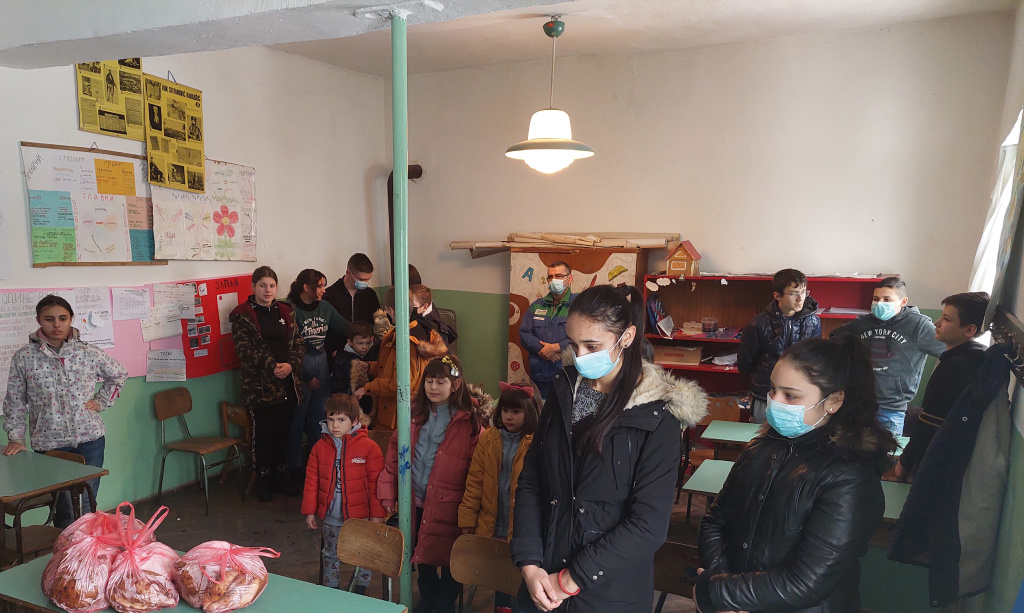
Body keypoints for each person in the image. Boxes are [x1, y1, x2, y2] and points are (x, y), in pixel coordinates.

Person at [511, 285, 707, 613]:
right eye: (573, 344)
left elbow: (648, 524)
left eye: (592, 346)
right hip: (542, 583)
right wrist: (530, 563)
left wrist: (571, 579)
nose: (580, 356)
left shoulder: (658, 414)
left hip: (609, 594)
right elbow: (532, 480)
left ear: (626, 337)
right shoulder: (563, 389)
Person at [694, 336, 897, 613]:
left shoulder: (850, 476)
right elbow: (715, 521)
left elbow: (807, 582)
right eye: (773, 389)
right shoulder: (761, 447)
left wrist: (718, 592)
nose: (774, 401)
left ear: (833, 401)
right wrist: (726, 591)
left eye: (790, 395)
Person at [2, 295, 128, 528]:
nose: (56, 325)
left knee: (87, 503)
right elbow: (15, 399)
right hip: (50, 442)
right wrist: (16, 438)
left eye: (62, 318)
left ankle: (85, 547)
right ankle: (65, 546)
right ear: (39, 320)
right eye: (49, 319)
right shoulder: (25, 357)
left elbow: (118, 374)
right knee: (63, 506)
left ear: (71, 319)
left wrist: (101, 402)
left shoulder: (87, 352)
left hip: (89, 439)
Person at [377, 355, 485, 613]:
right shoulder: (414, 415)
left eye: (440, 382)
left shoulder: (469, 424)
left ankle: (446, 603)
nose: (433, 387)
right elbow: (395, 455)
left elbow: (477, 472)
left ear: (455, 385)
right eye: (429, 381)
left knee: (450, 559)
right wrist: (388, 493)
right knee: (421, 552)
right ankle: (427, 598)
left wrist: (471, 510)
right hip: (415, 501)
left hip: (452, 506)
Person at [459, 382, 541, 612]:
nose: (509, 417)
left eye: (516, 411)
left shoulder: (537, 442)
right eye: (505, 410)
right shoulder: (488, 439)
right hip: (493, 522)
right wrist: (467, 519)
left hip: (522, 526)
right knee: (499, 580)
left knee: (521, 581)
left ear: (529, 411)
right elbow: (474, 481)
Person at [829, 277, 946, 436]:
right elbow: (835, 336)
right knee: (848, 447)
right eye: (876, 299)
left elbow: (948, 350)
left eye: (887, 299)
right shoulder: (863, 323)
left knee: (886, 449)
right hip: (858, 404)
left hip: (892, 408)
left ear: (903, 302)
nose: (880, 303)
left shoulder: (917, 325)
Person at [895, 291, 989, 483]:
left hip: (939, 462)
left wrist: (905, 462)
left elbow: (930, 423)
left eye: (946, 319)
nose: (936, 323)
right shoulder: (972, 357)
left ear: (970, 330)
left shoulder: (956, 367)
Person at [231, 266, 305, 502]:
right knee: (262, 435)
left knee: (282, 433)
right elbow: (244, 349)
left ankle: (280, 476)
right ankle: (263, 478)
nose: (267, 290)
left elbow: (298, 343)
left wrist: (290, 365)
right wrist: (273, 366)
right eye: (262, 285)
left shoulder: (286, 311)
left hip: (287, 383)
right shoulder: (242, 315)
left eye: (272, 285)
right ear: (253, 287)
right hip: (259, 387)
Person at [301, 394, 385, 592]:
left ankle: (361, 587)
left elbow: (376, 485)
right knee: (331, 553)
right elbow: (312, 482)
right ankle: (332, 588)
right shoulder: (319, 448)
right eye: (330, 419)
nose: (335, 425)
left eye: (341, 420)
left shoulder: (369, 448)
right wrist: (310, 511)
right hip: (332, 515)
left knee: (362, 553)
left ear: (354, 421)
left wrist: (377, 516)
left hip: (361, 516)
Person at [286, 269, 349, 481]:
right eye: (320, 286)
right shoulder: (290, 309)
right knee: (296, 420)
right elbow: (288, 348)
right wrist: (305, 377)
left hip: (321, 362)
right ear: (306, 287)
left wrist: (367, 332)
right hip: (299, 365)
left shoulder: (325, 307)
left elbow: (345, 327)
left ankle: (316, 464)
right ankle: (295, 467)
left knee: (319, 419)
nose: (323, 290)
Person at [356, 287, 448, 430]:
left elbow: (401, 383)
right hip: (394, 411)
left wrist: (367, 388)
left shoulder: (407, 341)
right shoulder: (414, 330)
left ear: (391, 310)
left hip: (397, 416)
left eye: (387, 312)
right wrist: (370, 367)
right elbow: (392, 366)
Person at [737, 268, 821, 423]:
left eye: (803, 292)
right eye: (794, 293)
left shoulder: (813, 322)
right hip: (766, 395)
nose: (800, 298)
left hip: (799, 395)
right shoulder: (758, 324)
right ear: (777, 296)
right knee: (761, 434)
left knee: (794, 435)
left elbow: (814, 360)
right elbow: (745, 363)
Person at [518, 261, 577, 399]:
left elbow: (585, 335)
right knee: (540, 411)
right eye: (550, 277)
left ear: (569, 278)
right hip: (539, 378)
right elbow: (524, 333)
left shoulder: (578, 305)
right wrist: (544, 350)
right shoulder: (537, 306)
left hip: (567, 377)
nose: (553, 280)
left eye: (558, 276)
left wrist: (558, 347)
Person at [330, 320, 377, 423]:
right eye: (360, 343)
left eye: (368, 343)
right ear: (350, 342)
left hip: (368, 408)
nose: (364, 347)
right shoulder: (343, 360)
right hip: (349, 408)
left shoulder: (372, 356)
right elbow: (338, 387)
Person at [324, 253, 381, 326]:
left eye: (368, 279)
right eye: (361, 279)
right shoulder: (329, 296)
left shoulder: (370, 294)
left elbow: (378, 322)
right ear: (348, 273)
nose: (366, 282)